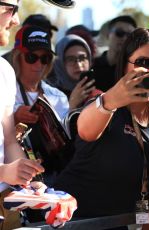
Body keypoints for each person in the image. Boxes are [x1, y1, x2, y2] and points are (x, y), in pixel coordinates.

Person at [54, 28, 149, 229]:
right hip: (69, 221)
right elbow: (86, 130)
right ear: (124, 67)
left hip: (115, 223)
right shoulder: (104, 105)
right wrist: (111, 100)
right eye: (143, 63)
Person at [0, 1, 45, 229]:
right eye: (11, 8)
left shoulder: (4, 72)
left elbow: (8, 142)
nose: (16, 20)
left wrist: (26, 179)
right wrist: (4, 172)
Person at [11, 25, 69, 185]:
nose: (39, 64)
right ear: (17, 57)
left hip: (53, 174)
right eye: (31, 57)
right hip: (12, 175)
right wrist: (14, 119)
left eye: (45, 58)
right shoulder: (4, 90)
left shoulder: (58, 96)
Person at [49, 34, 98, 110]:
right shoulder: (49, 95)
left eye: (82, 58)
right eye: (71, 59)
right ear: (60, 63)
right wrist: (71, 105)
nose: (78, 64)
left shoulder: (99, 97)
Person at [92, 15, 137, 92]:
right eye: (119, 33)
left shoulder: (135, 70)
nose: (125, 38)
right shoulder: (92, 67)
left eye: (130, 35)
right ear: (108, 35)